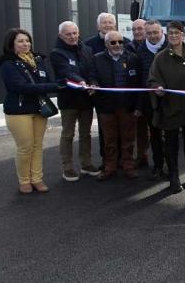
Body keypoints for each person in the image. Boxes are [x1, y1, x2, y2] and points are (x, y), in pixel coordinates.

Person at [0, 28, 61, 194]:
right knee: (25, 146)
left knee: (37, 145)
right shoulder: (8, 63)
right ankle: (24, 181)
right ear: (12, 44)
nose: (25, 44)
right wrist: (53, 86)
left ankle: (37, 179)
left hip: (39, 109)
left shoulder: (38, 60)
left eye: (27, 41)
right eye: (20, 41)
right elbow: (20, 87)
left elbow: (46, 79)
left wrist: (55, 84)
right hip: (19, 111)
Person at [148, 21, 185, 193]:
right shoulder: (160, 57)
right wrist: (156, 88)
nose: (174, 35)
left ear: (183, 35)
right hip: (170, 107)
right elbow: (152, 80)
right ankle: (174, 176)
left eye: (177, 32)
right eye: (170, 32)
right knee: (171, 144)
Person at [50, 21, 100, 182]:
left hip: (86, 99)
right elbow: (66, 72)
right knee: (68, 134)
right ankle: (68, 167)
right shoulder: (57, 53)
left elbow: (92, 70)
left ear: (78, 33)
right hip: (68, 100)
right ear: (61, 36)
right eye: (68, 34)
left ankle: (86, 164)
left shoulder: (87, 50)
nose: (72, 36)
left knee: (85, 133)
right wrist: (81, 82)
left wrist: (93, 83)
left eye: (74, 33)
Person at [90, 31, 141, 181]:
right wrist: (94, 84)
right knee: (109, 140)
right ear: (106, 44)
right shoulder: (97, 59)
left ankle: (128, 166)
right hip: (106, 107)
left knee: (128, 139)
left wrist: (138, 106)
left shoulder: (133, 58)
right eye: (113, 42)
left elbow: (139, 84)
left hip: (128, 106)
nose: (117, 45)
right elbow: (92, 76)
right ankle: (110, 167)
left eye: (120, 42)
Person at [136, 19, 169, 179]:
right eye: (148, 33)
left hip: (170, 100)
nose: (152, 36)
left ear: (162, 32)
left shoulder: (171, 46)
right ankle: (158, 165)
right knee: (155, 135)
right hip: (150, 102)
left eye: (155, 32)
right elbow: (140, 78)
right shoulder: (141, 51)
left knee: (170, 135)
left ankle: (171, 166)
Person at [84, 12, 117, 166]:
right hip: (102, 97)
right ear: (98, 26)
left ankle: (123, 160)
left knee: (124, 131)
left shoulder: (123, 41)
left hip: (122, 96)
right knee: (105, 132)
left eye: (110, 22)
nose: (108, 25)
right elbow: (88, 69)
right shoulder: (89, 45)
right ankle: (107, 161)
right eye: (104, 22)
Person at [127, 18, 148, 168]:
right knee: (138, 130)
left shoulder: (152, 47)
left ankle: (163, 163)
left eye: (140, 29)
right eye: (134, 29)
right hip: (135, 95)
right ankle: (141, 157)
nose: (137, 32)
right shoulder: (127, 47)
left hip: (151, 94)